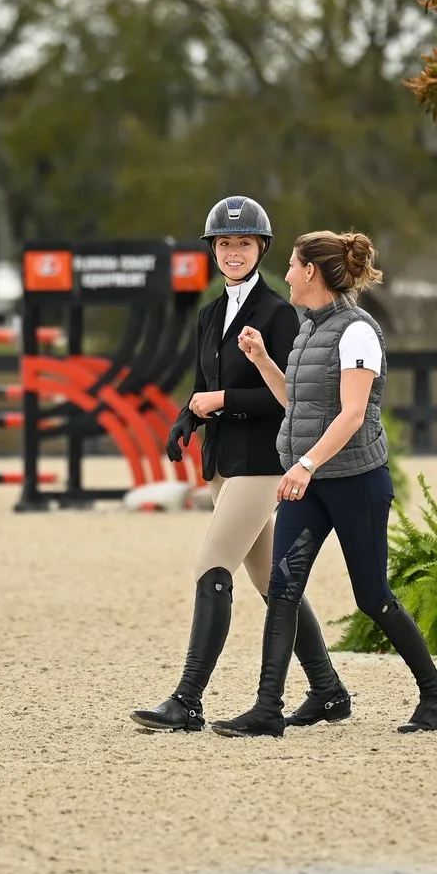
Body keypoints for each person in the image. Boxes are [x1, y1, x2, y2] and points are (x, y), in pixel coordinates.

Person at [215, 230, 437, 737]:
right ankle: (267, 709)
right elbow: (297, 406)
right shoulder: (308, 329)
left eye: (290, 265)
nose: (283, 274)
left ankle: (436, 693)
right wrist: (261, 362)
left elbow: (350, 416)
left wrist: (304, 466)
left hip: (356, 483)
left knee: (373, 597)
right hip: (313, 482)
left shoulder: (358, 332)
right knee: (282, 589)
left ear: (311, 272)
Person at [130, 196, 350, 733]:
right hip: (224, 464)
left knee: (212, 567)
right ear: (213, 249)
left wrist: (222, 400)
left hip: (261, 463)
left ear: (261, 249)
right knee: (276, 584)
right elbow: (204, 386)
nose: (233, 252)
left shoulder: (279, 313)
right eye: (225, 244)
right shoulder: (209, 314)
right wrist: (189, 416)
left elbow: (286, 396)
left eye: (243, 244)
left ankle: (188, 699)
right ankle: (327, 691)